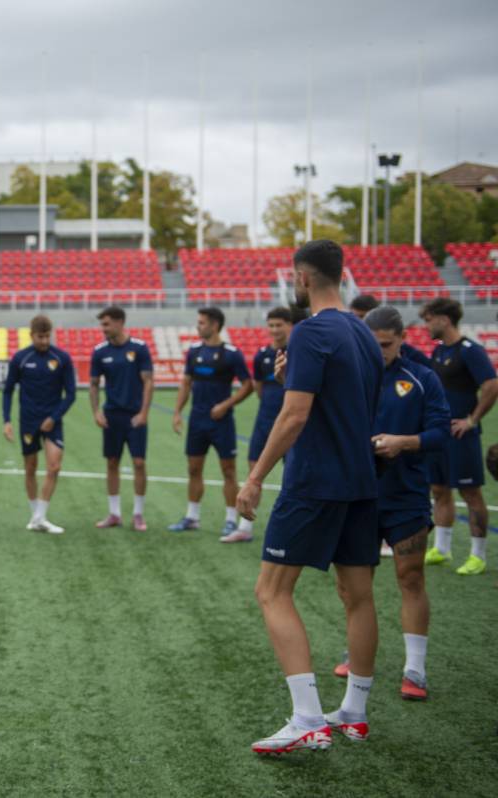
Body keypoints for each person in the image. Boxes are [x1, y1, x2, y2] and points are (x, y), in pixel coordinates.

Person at [236, 239, 384, 755]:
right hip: (362, 482)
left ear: (301, 277)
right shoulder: (364, 335)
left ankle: (306, 718)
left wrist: (254, 477)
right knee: (357, 596)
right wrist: (290, 375)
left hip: (315, 481)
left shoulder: (311, 331)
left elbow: (295, 415)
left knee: (272, 592)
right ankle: (354, 712)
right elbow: (344, 400)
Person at [328, 306, 449, 701]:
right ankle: (357, 653)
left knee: (410, 577)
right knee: (354, 588)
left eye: (385, 344)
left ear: (401, 339)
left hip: (405, 495)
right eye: (371, 344)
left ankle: (415, 668)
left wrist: (403, 442)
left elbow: (440, 432)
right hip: (356, 495)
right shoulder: (345, 378)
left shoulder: (422, 378)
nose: (378, 352)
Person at [421, 297, 498, 576]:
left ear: (444, 319)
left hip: (461, 437)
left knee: (470, 492)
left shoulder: (470, 350)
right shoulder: (439, 351)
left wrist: (472, 419)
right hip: (438, 434)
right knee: (439, 489)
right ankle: (442, 549)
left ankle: (478, 555)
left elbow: (491, 385)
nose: (426, 324)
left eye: (429, 319)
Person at [169, 307, 254, 538]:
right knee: (193, 469)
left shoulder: (232, 353)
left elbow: (248, 385)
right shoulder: (194, 352)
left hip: (222, 423)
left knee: (228, 471)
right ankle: (192, 517)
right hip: (197, 421)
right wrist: (177, 412)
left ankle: (229, 519)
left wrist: (226, 405)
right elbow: (186, 383)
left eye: (202, 323)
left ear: (215, 325)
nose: (198, 326)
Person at [2, 315, 76, 534]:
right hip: (28, 421)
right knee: (31, 468)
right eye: (39, 337)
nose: (44, 341)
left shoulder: (62, 358)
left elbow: (71, 394)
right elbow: (8, 391)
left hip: (53, 421)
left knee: (54, 466)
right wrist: (7, 420)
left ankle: (39, 517)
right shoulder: (21, 358)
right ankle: (37, 516)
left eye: (46, 336)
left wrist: (54, 417)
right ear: (31, 335)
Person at [232, 307, 294, 544]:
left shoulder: (297, 352)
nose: (275, 330)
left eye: (280, 325)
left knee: (292, 475)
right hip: (264, 421)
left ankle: (289, 528)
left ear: (290, 325)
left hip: (291, 423)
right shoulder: (261, 356)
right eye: (271, 325)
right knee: (254, 470)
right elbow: (259, 388)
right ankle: (245, 527)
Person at [89, 306, 154, 532]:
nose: (103, 329)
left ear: (119, 323)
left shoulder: (139, 348)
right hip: (112, 416)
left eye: (106, 324)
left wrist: (144, 412)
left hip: (135, 415)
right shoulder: (99, 352)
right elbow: (94, 384)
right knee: (112, 463)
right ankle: (114, 513)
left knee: (139, 463)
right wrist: (96, 411)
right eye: (102, 324)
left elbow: (148, 381)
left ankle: (138, 514)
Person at [352, 293, 432, 367]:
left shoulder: (412, 357)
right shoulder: (350, 349)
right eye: (354, 317)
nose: (358, 322)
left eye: (362, 317)